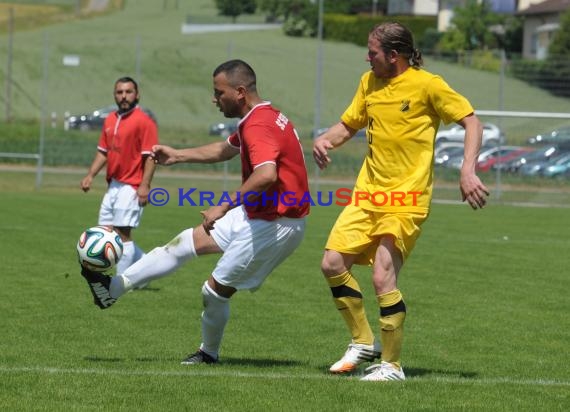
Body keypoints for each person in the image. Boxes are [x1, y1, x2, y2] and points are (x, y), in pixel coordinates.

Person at [79, 59, 310, 365]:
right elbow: (224, 150)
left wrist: (224, 205)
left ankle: (208, 354)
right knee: (182, 244)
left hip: (278, 224)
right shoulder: (260, 115)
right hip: (258, 213)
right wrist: (178, 154)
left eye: (219, 92)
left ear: (239, 91)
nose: (215, 99)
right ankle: (112, 290)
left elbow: (266, 174)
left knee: (214, 292)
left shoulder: (259, 124)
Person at [312, 22, 489, 382]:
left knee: (382, 275)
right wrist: (325, 140)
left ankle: (391, 366)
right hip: (367, 194)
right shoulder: (369, 82)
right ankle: (363, 341)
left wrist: (467, 170)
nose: (367, 57)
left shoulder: (428, 85)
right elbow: (349, 124)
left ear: (394, 55)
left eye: (373, 52)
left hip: (407, 198)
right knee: (331, 263)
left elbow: (472, 122)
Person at [80, 76, 158, 277]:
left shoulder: (144, 122)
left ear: (137, 94)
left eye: (128, 92)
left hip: (131, 187)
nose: (124, 96)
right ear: (115, 95)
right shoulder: (110, 119)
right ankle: (148, 266)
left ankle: (122, 282)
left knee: (123, 235)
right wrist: (90, 175)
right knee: (106, 232)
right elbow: (103, 151)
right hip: (113, 185)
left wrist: (144, 186)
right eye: (119, 92)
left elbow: (150, 157)